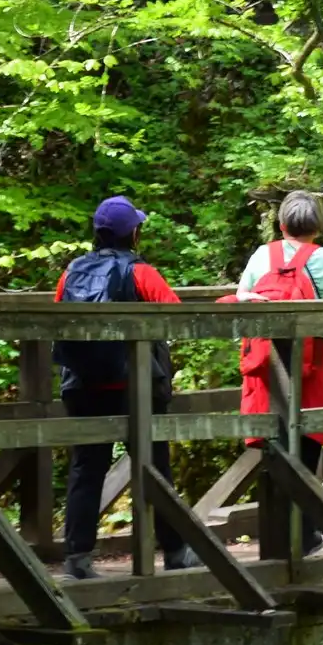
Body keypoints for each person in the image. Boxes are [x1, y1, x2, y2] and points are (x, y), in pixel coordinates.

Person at [52, 196, 191, 580]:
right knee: (155, 468)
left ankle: (77, 558)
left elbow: (56, 318)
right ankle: (175, 552)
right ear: (133, 233)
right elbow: (177, 317)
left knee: (86, 468)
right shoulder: (141, 272)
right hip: (135, 386)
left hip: (81, 386)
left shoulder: (72, 272)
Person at [226, 191, 323, 555]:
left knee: (274, 443)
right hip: (312, 366)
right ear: (319, 226)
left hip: (266, 364)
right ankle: (305, 532)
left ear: (280, 225)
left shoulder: (261, 255)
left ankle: (277, 534)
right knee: (310, 442)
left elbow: (241, 297)